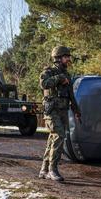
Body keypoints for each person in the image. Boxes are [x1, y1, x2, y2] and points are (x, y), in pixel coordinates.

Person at [39, 46, 81, 181]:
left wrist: (76, 110)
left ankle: (44, 170)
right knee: (59, 135)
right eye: (66, 57)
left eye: (68, 57)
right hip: (51, 111)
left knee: (53, 139)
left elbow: (70, 95)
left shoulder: (67, 75)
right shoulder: (49, 71)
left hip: (63, 110)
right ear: (58, 58)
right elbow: (44, 84)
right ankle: (53, 170)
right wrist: (58, 78)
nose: (68, 59)